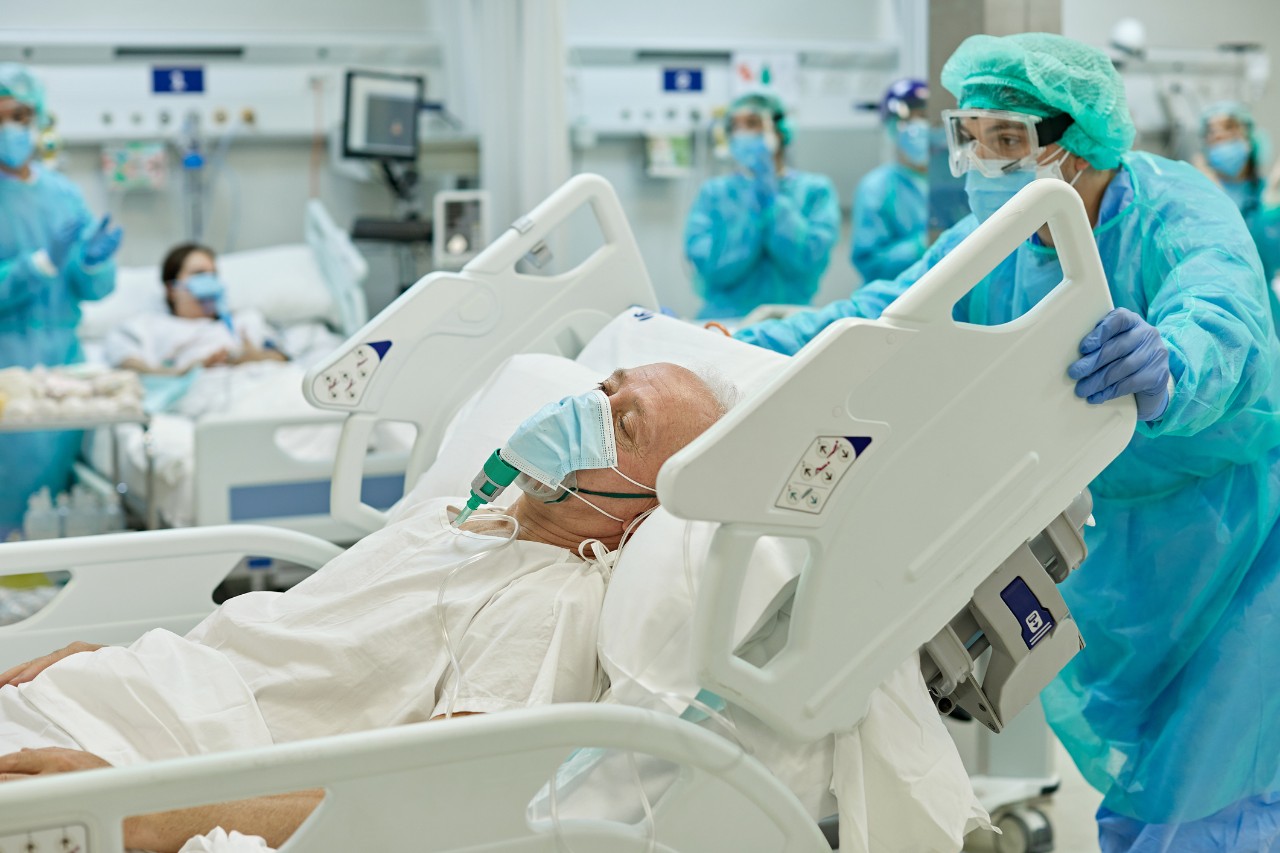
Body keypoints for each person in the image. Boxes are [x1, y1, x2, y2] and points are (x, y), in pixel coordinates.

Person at [737, 32, 1280, 852]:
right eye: (972, 135)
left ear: (1081, 140)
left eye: (1009, 140)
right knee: (1147, 789)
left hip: (1234, 544)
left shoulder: (1173, 206)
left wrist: (1175, 361)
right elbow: (884, 315)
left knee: (1213, 791)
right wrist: (736, 346)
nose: (984, 162)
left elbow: (1223, 302)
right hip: (1118, 549)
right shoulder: (1004, 240)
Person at [0, 362, 729, 851]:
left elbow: (434, 805)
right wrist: (123, 664)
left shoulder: (546, 601)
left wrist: (142, 809)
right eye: (603, 387)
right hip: (120, 702)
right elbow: (298, 652)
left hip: (139, 768)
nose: (587, 408)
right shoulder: (459, 516)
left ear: (646, 510)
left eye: (623, 425)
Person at [0, 63, 123, 535]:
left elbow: (92, 290)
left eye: (20, 116)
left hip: (65, 363)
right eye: (1, 116)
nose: (12, 127)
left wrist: (92, 262)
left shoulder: (64, 193)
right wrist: (39, 265)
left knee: (61, 493)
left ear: (37, 120)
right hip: (7, 367)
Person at [683, 92, 840, 320]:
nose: (742, 133)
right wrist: (754, 213)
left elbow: (808, 260)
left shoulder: (815, 191)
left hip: (791, 321)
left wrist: (774, 203)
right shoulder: (714, 193)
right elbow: (712, 268)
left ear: (779, 130)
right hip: (725, 322)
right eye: (735, 127)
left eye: (753, 124)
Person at [106, 243, 288, 375]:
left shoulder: (244, 321)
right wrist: (184, 372)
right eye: (199, 274)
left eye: (213, 275)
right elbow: (128, 368)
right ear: (172, 289)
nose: (210, 282)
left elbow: (284, 358)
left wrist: (255, 357)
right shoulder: (146, 327)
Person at [851, 78, 929, 282]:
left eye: (924, 116)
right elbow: (871, 265)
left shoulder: (960, 181)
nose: (919, 127)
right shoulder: (876, 188)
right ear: (891, 127)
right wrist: (924, 245)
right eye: (909, 120)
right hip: (892, 300)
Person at [1194, 101, 1280, 286]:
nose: (1219, 134)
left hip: (1262, 300)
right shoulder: (1194, 196)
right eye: (1211, 132)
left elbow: (1272, 260)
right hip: (1213, 296)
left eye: (1229, 127)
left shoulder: (1267, 194)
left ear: (1249, 139)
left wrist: (1270, 212)